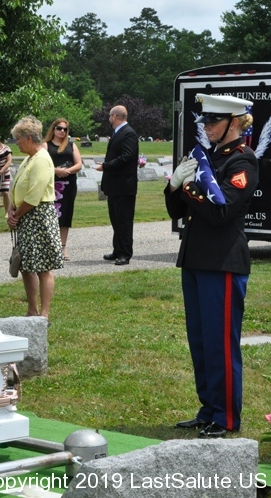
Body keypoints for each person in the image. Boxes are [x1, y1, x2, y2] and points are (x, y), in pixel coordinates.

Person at [166, 94, 259, 439]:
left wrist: (189, 187)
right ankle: (208, 409)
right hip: (195, 259)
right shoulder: (207, 157)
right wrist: (173, 185)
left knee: (220, 343)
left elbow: (222, 211)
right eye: (204, 120)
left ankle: (225, 416)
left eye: (213, 121)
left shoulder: (242, 160)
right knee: (201, 341)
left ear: (234, 123)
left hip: (222, 262)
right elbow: (177, 211)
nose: (206, 126)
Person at [7, 116, 63, 319]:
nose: (17, 143)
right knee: (26, 265)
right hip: (25, 216)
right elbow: (17, 187)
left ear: (28, 138)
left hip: (39, 217)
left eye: (18, 139)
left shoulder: (42, 160)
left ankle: (44, 315)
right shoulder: (29, 158)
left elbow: (33, 196)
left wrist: (16, 215)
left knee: (43, 267)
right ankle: (32, 310)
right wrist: (11, 210)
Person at [94, 105, 138, 265]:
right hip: (115, 186)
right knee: (116, 220)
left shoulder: (128, 133)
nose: (109, 118)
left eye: (109, 116)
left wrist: (106, 166)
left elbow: (127, 156)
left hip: (124, 186)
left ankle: (125, 253)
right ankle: (117, 250)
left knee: (124, 221)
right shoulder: (118, 132)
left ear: (114, 116)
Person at [43, 119, 82, 261]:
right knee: (51, 216)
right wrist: (56, 170)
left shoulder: (71, 145)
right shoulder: (46, 145)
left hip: (68, 185)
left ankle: (63, 247)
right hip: (52, 185)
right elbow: (42, 164)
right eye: (59, 128)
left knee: (65, 216)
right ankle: (50, 247)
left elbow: (79, 164)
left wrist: (66, 171)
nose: (62, 131)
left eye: (65, 129)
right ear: (53, 129)